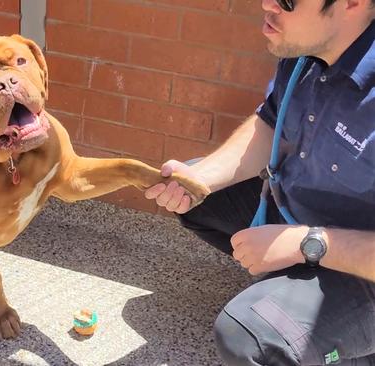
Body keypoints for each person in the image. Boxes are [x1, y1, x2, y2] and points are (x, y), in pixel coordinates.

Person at [144, 0, 375, 364]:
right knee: (200, 197)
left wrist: (307, 244)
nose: (268, 4)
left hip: (363, 267)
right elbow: (271, 124)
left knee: (248, 337)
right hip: (299, 216)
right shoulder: (306, 51)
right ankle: (293, 292)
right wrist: (201, 178)